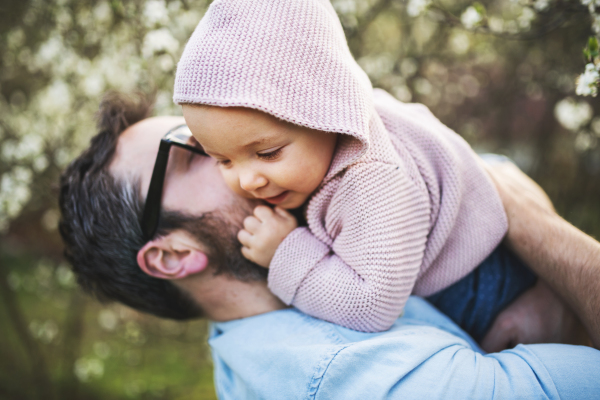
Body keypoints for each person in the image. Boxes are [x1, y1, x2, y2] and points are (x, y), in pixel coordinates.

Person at [58, 93, 600, 399]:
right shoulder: (348, 378)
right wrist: (525, 218)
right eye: (197, 151)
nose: (228, 147)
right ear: (172, 254)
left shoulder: (243, 353)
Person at [172, 0, 540, 339]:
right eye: (222, 160)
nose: (247, 180)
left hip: (479, 287)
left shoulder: (373, 181)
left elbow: (372, 307)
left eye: (268, 153)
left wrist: (286, 252)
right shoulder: (337, 135)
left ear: (326, 112)